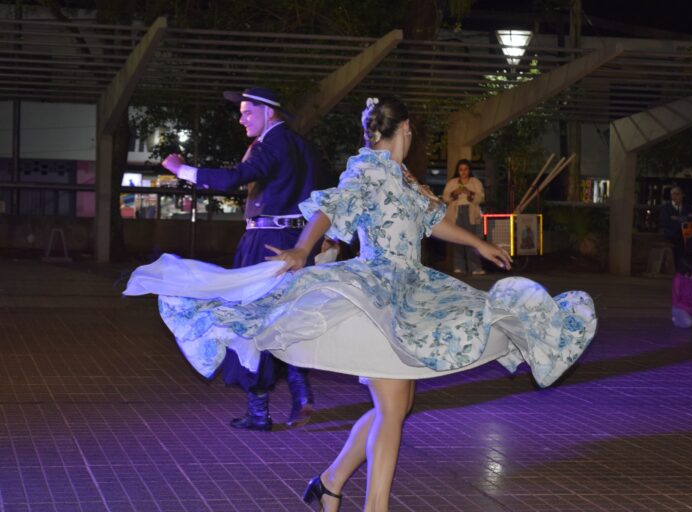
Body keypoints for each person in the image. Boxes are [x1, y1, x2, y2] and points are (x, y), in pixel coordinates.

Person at [125, 97, 597, 511]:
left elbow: (431, 223)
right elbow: (332, 207)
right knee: (393, 411)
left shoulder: (404, 177)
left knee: (400, 406)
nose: (413, 137)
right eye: (412, 131)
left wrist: (477, 244)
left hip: (413, 292)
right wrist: (303, 249)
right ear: (405, 129)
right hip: (377, 297)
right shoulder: (367, 169)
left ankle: (329, 484)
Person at [161, 87, 332, 431]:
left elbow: (236, 177)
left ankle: (260, 411)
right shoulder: (301, 145)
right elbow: (326, 193)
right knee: (282, 317)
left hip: (265, 241)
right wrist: (326, 240)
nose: (241, 119)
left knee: (251, 319)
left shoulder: (274, 143)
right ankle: (300, 393)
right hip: (295, 241)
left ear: (269, 112)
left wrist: (182, 170)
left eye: (247, 112)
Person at [442, 159, 486, 275]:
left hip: (470, 212)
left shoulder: (475, 182)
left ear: (469, 170)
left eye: (466, 169)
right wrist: (454, 193)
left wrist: (469, 193)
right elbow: (445, 198)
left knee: (471, 239)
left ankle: (475, 267)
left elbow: (481, 197)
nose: (463, 172)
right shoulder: (452, 182)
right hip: (456, 213)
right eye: (461, 169)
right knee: (457, 240)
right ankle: (459, 266)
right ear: (458, 171)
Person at [659, 186, 692, 267]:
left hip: (686, 234)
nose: (675, 196)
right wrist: (682, 220)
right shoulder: (666, 208)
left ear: (682, 195)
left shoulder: (687, 207)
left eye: (677, 194)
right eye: (673, 194)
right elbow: (665, 221)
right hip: (671, 233)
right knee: (678, 244)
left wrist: (677, 218)